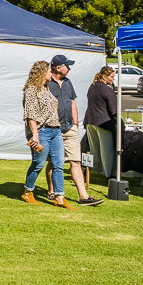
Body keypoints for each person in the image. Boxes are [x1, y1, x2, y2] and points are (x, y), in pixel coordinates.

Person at [45, 55, 101, 207]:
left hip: (70, 127)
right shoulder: (46, 83)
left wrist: (75, 123)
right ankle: (51, 191)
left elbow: (72, 102)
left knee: (75, 160)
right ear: (58, 68)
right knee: (53, 162)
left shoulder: (68, 83)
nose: (69, 68)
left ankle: (83, 196)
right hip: (52, 128)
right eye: (66, 66)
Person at [21, 60, 76, 209]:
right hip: (42, 131)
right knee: (38, 163)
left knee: (58, 164)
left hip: (55, 130)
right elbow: (30, 115)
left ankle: (59, 197)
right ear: (42, 72)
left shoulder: (46, 89)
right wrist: (35, 135)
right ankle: (28, 191)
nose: (51, 73)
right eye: (49, 71)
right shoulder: (32, 89)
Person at [84, 66, 121, 138]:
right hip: (103, 124)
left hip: (90, 123)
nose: (113, 79)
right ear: (104, 76)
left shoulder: (92, 86)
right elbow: (114, 111)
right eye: (111, 77)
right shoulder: (107, 90)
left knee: (95, 149)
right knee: (106, 149)